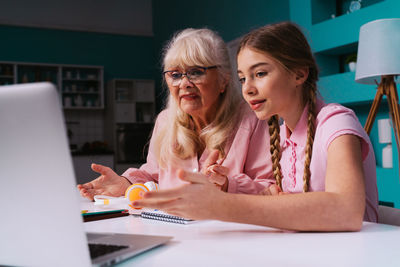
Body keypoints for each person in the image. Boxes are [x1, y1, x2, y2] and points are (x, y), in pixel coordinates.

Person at [133, 22, 379, 232]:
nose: (247, 88)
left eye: (260, 73)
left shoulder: (336, 123)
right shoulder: (283, 137)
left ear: (299, 74)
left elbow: (347, 209)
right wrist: (234, 189)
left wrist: (221, 205)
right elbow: (278, 200)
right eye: (242, 78)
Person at [78, 28, 274, 200]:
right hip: (172, 231)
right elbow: (154, 174)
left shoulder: (253, 118)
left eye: (196, 72)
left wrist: (227, 185)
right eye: (175, 75)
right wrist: (126, 182)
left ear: (224, 80)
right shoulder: (165, 120)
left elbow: (269, 187)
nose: (184, 83)